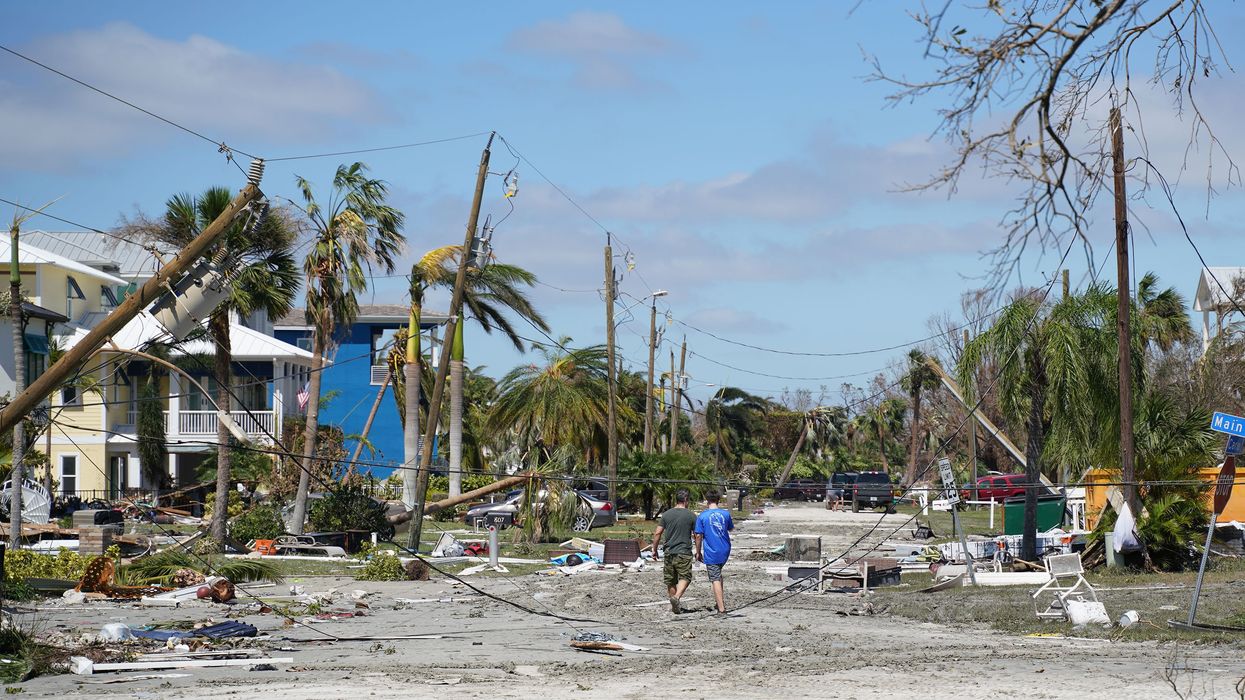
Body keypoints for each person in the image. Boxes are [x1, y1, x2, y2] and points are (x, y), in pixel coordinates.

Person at [651, 489, 696, 613]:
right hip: (684, 552)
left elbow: (657, 533)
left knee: (671, 580)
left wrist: (654, 550)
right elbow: (697, 535)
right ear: (686, 500)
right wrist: (698, 551)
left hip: (669, 552)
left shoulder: (666, 515)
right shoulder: (691, 515)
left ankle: (674, 606)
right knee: (685, 577)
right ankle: (676, 598)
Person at [694, 489, 735, 615]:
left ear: (707, 500)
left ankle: (721, 609)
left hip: (712, 550)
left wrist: (697, 551)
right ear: (718, 500)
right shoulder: (725, 514)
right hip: (725, 549)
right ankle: (719, 603)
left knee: (715, 578)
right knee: (718, 574)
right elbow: (730, 528)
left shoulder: (702, 516)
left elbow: (698, 536)